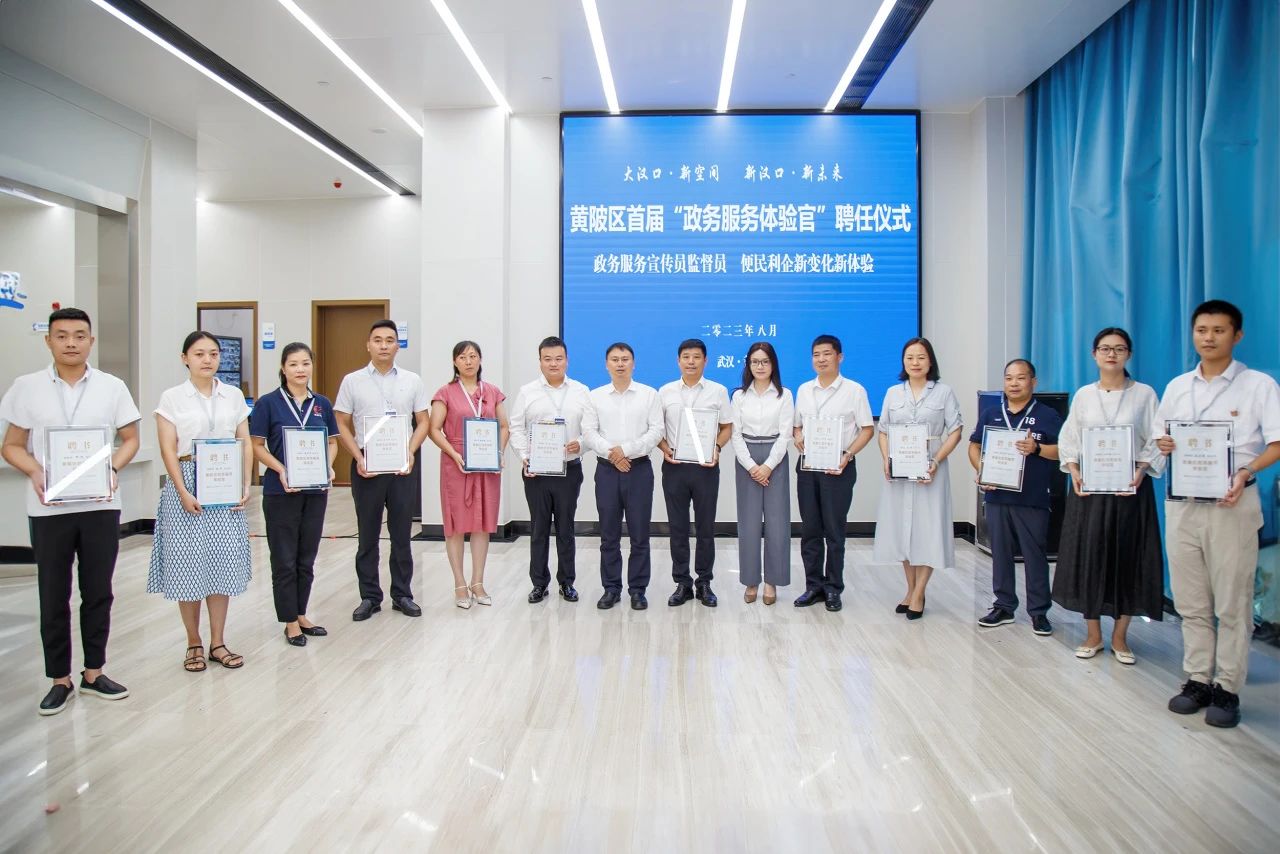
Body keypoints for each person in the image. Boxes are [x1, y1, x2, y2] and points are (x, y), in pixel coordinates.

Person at [1, 308, 140, 715]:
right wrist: (35, 471)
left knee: (98, 591)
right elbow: (11, 445)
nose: (71, 343)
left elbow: (131, 438)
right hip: (49, 510)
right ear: (48, 341)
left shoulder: (112, 387)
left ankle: (94, 672)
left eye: (80, 335)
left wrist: (112, 469)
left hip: (100, 506)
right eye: (61, 336)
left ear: (91, 341)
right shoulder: (27, 387)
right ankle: (59, 679)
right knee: (53, 594)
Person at [1155, 300, 1280, 728]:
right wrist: (1163, 444)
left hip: (1232, 504)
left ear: (1236, 335)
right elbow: (1159, 438)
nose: (1209, 338)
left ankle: (1227, 687)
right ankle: (1197, 679)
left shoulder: (1258, 385)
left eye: (1219, 330)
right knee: (1190, 600)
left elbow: (1276, 443)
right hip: (1183, 505)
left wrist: (1246, 471)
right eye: (1202, 330)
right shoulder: (1178, 387)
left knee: (1232, 602)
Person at [1052, 328, 1164, 664]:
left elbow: (1156, 438)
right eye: (1104, 348)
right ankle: (1092, 635)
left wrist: (1141, 470)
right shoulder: (1085, 395)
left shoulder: (1144, 394)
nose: (1111, 354)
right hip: (1089, 491)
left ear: (1129, 354)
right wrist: (1074, 469)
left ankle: (1120, 637)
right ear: (1094, 354)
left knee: (1128, 558)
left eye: (1119, 348)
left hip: (1130, 490)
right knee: (1090, 555)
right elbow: (1070, 437)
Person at [149, 331, 254, 672]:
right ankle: (193, 641)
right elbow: (168, 448)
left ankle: (218, 642)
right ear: (185, 358)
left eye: (213, 353)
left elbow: (244, 441)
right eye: (199, 354)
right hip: (188, 481)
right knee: (189, 565)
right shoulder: (172, 397)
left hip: (224, 481)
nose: (207, 359)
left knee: (221, 563)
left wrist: (245, 483)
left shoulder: (233, 395)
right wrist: (182, 490)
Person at [334, 319, 430, 621]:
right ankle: (370, 597)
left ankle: (402, 594)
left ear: (398, 345)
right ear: (368, 345)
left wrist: (410, 451)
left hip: (402, 465)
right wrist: (357, 456)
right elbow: (341, 422)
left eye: (390, 340)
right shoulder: (352, 381)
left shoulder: (412, 380)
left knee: (401, 534)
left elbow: (423, 421)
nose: (384, 345)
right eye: (378, 340)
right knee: (367, 535)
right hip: (367, 466)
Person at [250, 342, 339, 646]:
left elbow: (332, 442)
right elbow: (257, 446)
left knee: (307, 556)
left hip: (314, 491)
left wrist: (327, 466)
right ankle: (289, 621)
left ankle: (301, 613)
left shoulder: (322, 403)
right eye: (293, 364)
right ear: (283, 368)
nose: (300, 369)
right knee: (284, 558)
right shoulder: (268, 403)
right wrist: (281, 469)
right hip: (281, 491)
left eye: (305, 363)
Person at [967, 358, 1062, 636]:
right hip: (997, 496)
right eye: (1009, 378)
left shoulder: (1047, 415)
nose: (1014, 383)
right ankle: (1004, 606)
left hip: (1032, 498)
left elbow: (1062, 451)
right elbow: (974, 446)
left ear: (1033, 382)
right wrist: (982, 470)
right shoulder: (991, 414)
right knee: (1000, 554)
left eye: (1021, 378)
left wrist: (1037, 448)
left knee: (1034, 555)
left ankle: (1039, 612)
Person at [873, 338, 963, 620]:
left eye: (921, 357)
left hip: (930, 470)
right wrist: (886, 460)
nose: (915, 362)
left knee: (928, 530)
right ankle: (910, 589)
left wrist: (936, 461)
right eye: (910, 357)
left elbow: (956, 431)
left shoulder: (944, 393)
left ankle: (920, 592)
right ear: (903, 361)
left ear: (930, 361)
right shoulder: (893, 393)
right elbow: (883, 431)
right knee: (904, 530)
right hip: (899, 470)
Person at [791, 334, 874, 612]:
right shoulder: (804, 390)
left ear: (840, 357)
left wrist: (847, 455)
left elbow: (867, 429)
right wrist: (798, 436)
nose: (821, 359)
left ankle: (833, 588)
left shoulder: (854, 390)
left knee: (835, 531)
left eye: (827, 354)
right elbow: (797, 425)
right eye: (816, 354)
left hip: (839, 469)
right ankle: (813, 585)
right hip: (808, 468)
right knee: (810, 529)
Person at [508, 336, 592, 604]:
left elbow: (591, 429)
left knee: (566, 529)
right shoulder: (527, 392)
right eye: (548, 359)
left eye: (558, 358)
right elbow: (516, 427)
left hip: (569, 469)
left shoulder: (581, 391)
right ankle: (539, 583)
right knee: (538, 529)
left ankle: (567, 583)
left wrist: (581, 443)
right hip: (537, 473)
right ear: (540, 361)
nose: (553, 363)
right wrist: (525, 456)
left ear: (567, 360)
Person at [581, 342, 664, 610]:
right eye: (615, 359)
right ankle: (611, 588)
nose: (620, 364)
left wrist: (625, 451)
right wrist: (613, 455)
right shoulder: (595, 396)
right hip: (607, 470)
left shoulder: (649, 395)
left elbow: (656, 431)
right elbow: (589, 432)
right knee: (609, 534)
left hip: (639, 470)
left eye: (625, 359)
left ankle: (638, 590)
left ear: (633, 363)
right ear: (606, 364)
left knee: (640, 534)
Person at [429, 340, 509, 608]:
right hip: (457, 464)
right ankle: (460, 584)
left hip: (486, 465)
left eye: (473, 356)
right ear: (455, 361)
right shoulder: (445, 392)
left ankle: (478, 582)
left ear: (480, 360)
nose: (468, 361)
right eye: (462, 357)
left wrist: (498, 452)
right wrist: (454, 454)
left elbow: (504, 426)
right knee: (455, 525)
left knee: (482, 524)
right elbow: (434, 429)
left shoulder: (492, 391)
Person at [657, 338, 733, 608]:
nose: (691, 361)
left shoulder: (718, 391)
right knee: (677, 527)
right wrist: (664, 448)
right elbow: (656, 429)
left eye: (696, 357)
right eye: (686, 357)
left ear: (705, 360)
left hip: (705, 468)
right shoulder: (665, 392)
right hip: (674, 467)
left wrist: (717, 448)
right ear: (678, 361)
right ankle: (682, 583)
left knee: (705, 527)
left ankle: (704, 582)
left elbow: (727, 427)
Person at [730, 342, 793, 605]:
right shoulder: (739, 396)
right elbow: (735, 434)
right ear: (748, 365)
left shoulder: (784, 395)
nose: (760, 366)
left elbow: (786, 433)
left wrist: (767, 466)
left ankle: (772, 582)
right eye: (755, 362)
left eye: (765, 361)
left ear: (773, 364)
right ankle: (751, 580)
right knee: (749, 523)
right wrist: (751, 466)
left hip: (775, 459)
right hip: (746, 458)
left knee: (778, 523)